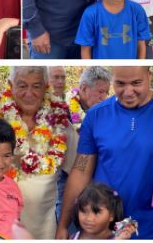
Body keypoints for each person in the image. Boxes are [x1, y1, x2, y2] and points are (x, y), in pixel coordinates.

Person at [56, 66, 153, 239]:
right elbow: (81, 170)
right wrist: (63, 225)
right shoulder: (96, 115)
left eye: (136, 83)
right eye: (120, 83)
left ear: (149, 76)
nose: (128, 92)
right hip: (104, 229)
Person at [0, 66, 72, 239]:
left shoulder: (61, 124)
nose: (29, 93)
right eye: (22, 86)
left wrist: (64, 224)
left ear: (46, 86)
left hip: (43, 231)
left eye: (36, 86)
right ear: (11, 85)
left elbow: (79, 172)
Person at [56, 67, 111, 224]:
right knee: (67, 216)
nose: (104, 97)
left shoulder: (103, 112)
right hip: (66, 175)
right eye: (100, 92)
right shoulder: (62, 109)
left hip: (94, 175)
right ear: (84, 88)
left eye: (106, 92)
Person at [70, 182, 137, 240]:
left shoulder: (119, 238)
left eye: (96, 212)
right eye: (84, 211)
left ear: (111, 215)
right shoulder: (73, 237)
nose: (89, 218)